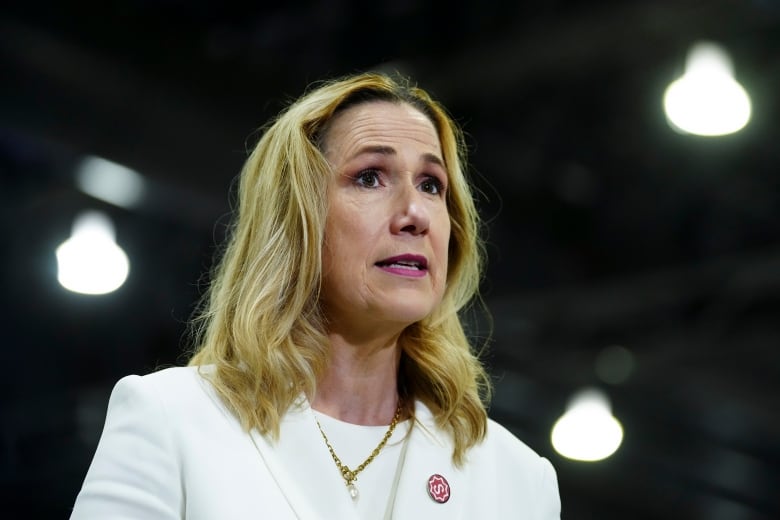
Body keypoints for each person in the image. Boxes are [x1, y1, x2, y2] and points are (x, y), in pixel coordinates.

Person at [70, 72, 561, 519]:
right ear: (296, 219)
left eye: (432, 185)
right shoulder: (171, 418)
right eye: (370, 176)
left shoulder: (517, 479)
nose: (416, 212)